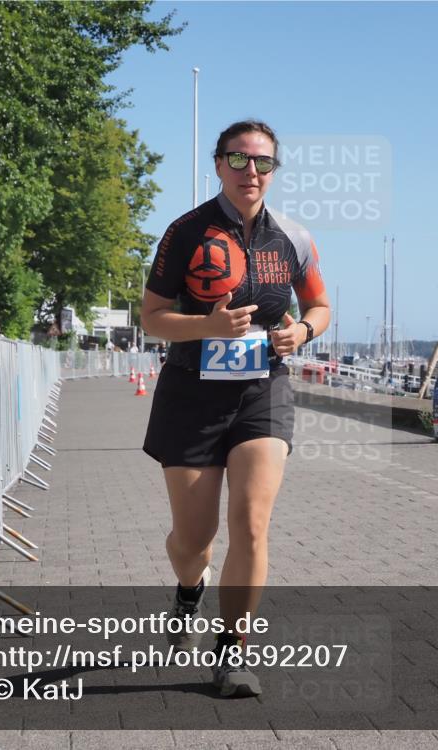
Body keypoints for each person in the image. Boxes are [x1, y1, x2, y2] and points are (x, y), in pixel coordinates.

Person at [140, 120, 330, 697]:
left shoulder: (293, 238)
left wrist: (302, 331)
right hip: (191, 396)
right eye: (240, 160)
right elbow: (151, 317)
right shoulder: (185, 232)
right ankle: (188, 589)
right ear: (218, 165)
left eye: (263, 163)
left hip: (261, 391)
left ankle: (233, 653)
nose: (252, 172)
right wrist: (208, 325)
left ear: (275, 171)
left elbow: (320, 305)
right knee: (193, 540)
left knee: (250, 522)